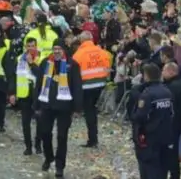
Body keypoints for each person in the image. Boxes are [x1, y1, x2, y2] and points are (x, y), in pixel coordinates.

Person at [35, 41, 83, 179]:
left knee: (62, 137)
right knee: (45, 133)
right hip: (47, 105)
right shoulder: (45, 63)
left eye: (59, 49)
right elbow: (39, 84)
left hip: (64, 107)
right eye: (54, 49)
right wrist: (36, 104)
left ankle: (60, 166)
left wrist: (77, 107)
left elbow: (77, 86)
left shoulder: (72, 65)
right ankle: (49, 157)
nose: (56, 51)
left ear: (64, 50)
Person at [130, 63, 174, 179]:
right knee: (162, 167)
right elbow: (171, 113)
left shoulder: (147, 94)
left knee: (148, 168)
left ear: (146, 76)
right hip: (165, 135)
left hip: (149, 137)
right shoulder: (167, 91)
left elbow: (139, 116)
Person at [72, 30, 112, 149]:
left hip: (86, 86)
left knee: (89, 112)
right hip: (100, 85)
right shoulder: (102, 52)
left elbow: (74, 73)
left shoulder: (78, 54)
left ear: (81, 41)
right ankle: (93, 138)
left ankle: (93, 139)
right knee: (92, 110)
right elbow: (108, 65)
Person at [10, 36, 42, 156]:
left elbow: (40, 75)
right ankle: (28, 146)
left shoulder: (41, 58)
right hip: (24, 94)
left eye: (32, 46)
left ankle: (38, 144)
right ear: (25, 47)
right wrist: (12, 93)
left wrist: (31, 63)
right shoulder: (19, 59)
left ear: (36, 46)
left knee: (40, 121)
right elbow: (14, 76)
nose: (30, 48)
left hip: (37, 95)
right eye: (28, 46)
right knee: (25, 122)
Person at [162, 62, 181, 179]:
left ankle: (174, 175)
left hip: (173, 125)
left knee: (171, 153)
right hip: (176, 124)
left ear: (171, 72)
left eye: (164, 71)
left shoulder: (172, 87)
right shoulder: (178, 84)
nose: (162, 73)